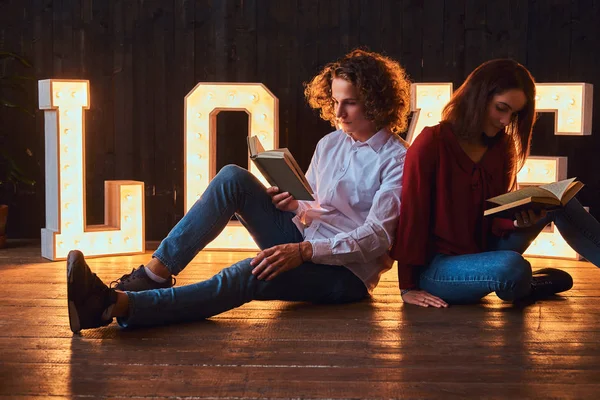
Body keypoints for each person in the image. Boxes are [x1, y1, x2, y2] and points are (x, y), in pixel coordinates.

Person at [66, 49, 411, 332]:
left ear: (376, 101)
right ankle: (152, 276)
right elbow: (316, 205)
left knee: (247, 271)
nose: (338, 113)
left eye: (348, 103)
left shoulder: (397, 159)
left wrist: (304, 251)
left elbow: (376, 238)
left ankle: (116, 306)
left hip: (345, 275)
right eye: (334, 101)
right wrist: (295, 205)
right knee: (233, 176)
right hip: (302, 240)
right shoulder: (331, 143)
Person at [391, 58, 600, 308]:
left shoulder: (502, 146)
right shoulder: (430, 143)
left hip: (483, 249)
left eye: (514, 114)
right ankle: (526, 284)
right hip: (438, 267)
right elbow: (412, 216)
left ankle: (523, 283)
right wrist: (407, 287)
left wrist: (515, 221)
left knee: (563, 201)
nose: (505, 121)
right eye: (501, 108)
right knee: (511, 267)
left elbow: (493, 213)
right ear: (478, 97)